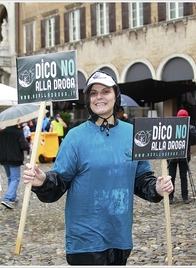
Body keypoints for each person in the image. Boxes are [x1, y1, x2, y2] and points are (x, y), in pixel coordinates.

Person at [22, 70, 173, 265]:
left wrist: (157, 188)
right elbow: (59, 182)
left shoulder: (134, 132)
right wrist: (42, 181)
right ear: (88, 99)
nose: (99, 97)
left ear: (115, 96)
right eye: (93, 93)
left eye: (105, 91)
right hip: (85, 240)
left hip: (120, 236)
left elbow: (141, 179)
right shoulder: (75, 137)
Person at [0, 124, 28, 209]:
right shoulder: (18, 133)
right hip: (15, 158)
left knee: (10, 178)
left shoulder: (0, 133)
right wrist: (27, 142)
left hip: (3, 158)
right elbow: (24, 146)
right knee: (15, 178)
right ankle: (7, 198)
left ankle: (13, 197)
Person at [167, 109, 196, 204]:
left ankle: (185, 196)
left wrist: (186, 126)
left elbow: (194, 135)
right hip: (172, 156)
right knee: (171, 177)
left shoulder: (190, 128)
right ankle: (170, 196)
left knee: (183, 177)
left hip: (184, 156)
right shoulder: (172, 127)